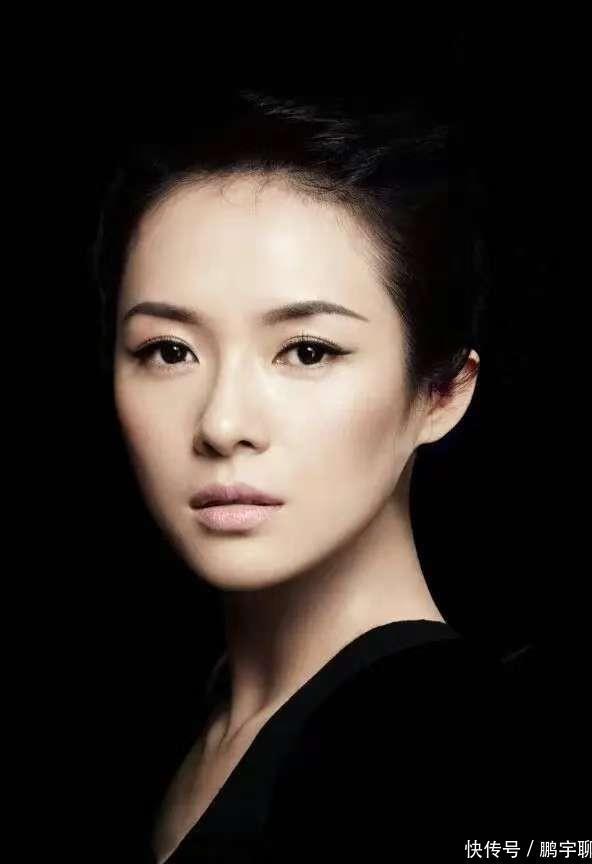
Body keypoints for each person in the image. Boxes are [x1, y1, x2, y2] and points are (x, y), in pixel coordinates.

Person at [92, 89, 510, 862]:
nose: (222, 424)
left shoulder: (472, 757)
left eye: (307, 352)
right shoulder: (165, 725)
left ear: (441, 392)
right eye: (169, 351)